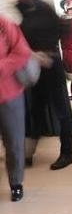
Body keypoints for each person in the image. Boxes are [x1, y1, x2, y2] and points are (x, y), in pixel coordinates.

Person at [10, 0, 72, 170]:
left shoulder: (43, 8)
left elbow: (62, 28)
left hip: (50, 64)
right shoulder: (20, 8)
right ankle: (28, 153)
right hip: (32, 66)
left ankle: (68, 153)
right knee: (35, 110)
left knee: (62, 110)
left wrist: (47, 52)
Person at [0, 15, 31, 201]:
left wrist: (2, 66)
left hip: (8, 92)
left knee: (13, 141)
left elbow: (22, 51)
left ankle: (16, 183)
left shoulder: (4, 24)